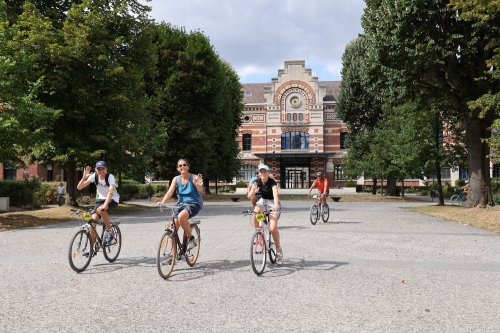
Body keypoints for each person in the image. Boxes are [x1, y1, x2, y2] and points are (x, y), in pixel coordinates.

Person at [157, 159, 203, 252]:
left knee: (181, 216)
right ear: (178, 168)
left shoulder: (193, 177)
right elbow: (170, 192)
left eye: (184, 165)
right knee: (172, 230)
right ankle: (172, 256)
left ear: (188, 166)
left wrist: (197, 183)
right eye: (180, 166)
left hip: (193, 204)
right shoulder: (176, 179)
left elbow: (200, 189)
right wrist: (163, 201)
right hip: (180, 204)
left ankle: (191, 238)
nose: (182, 167)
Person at [77, 161, 120, 256]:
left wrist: (105, 205)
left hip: (112, 199)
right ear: (96, 169)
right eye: (99, 169)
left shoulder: (110, 177)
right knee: (92, 221)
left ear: (106, 169)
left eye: (103, 169)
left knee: (101, 209)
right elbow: (79, 187)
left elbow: (111, 191)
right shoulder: (94, 176)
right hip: (100, 199)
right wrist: (84, 177)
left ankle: (110, 231)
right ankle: (93, 249)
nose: (101, 171)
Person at [247, 164, 283, 260]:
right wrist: (252, 191)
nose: (263, 173)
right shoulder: (257, 182)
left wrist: (275, 206)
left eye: (265, 172)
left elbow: (276, 196)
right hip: (263, 202)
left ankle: (278, 248)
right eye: (261, 172)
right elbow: (249, 197)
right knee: (256, 212)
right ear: (259, 173)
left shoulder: (272, 183)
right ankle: (258, 233)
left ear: (268, 173)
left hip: (272, 203)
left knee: (272, 228)